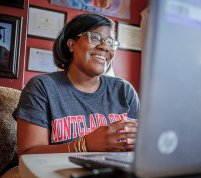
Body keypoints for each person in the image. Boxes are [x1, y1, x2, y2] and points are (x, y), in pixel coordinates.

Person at [14, 13, 139, 156]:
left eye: (110, 42)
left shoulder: (124, 90)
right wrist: (84, 145)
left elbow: (137, 148)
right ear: (71, 44)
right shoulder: (43, 87)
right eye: (95, 37)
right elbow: (28, 155)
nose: (105, 47)